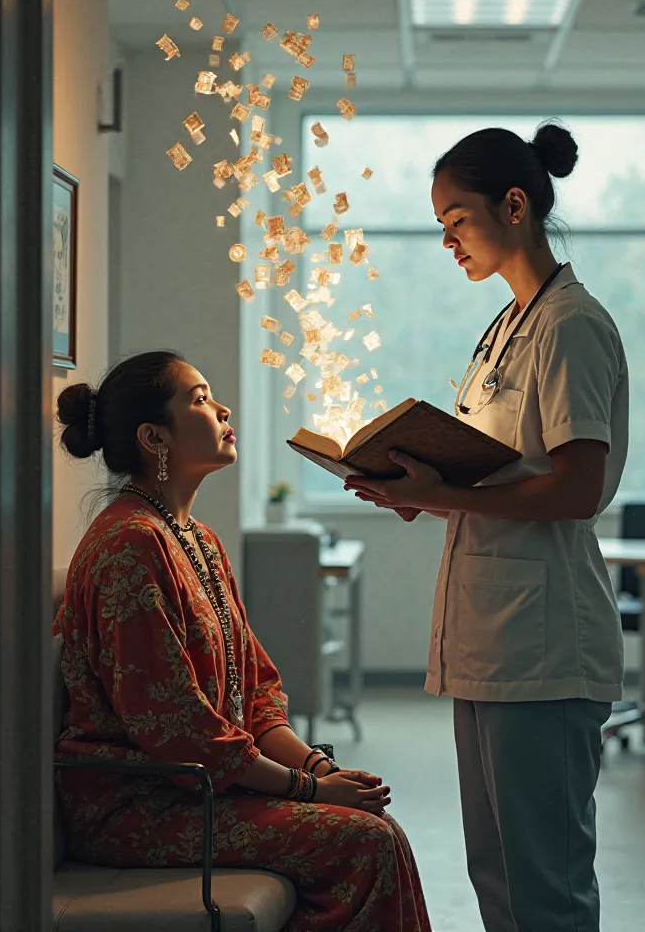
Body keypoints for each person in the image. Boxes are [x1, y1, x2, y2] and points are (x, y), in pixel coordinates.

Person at [344, 123, 628, 932]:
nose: (446, 241)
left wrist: (449, 497)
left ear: (514, 205)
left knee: (546, 884)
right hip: (492, 644)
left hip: (545, 648)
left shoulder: (571, 325)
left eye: (455, 219)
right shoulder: (505, 327)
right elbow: (496, 473)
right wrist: (422, 489)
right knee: (496, 874)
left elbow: (576, 490)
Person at [54, 351, 431, 932]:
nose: (223, 407)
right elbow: (176, 728)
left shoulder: (195, 539)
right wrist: (309, 788)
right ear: (154, 437)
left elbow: (255, 691)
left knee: (377, 831)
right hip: (137, 802)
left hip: (198, 784)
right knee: (366, 844)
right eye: (200, 399)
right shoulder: (130, 544)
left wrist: (312, 766)